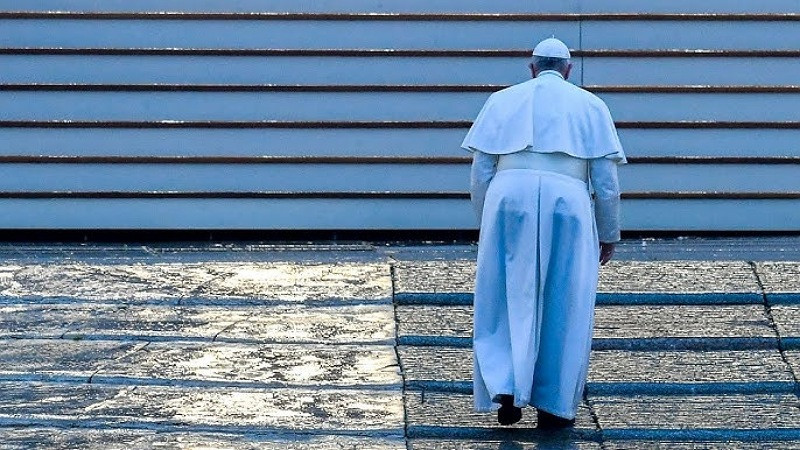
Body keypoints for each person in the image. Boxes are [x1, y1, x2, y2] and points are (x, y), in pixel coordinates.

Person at [461, 37, 626, 428]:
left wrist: (487, 220)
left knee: (504, 293)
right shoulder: (591, 106)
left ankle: (505, 386)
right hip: (567, 198)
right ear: (569, 70)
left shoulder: (501, 100)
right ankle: (553, 402)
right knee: (564, 297)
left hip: (507, 196)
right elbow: (605, 183)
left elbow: (481, 171)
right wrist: (609, 233)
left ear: (531, 67)